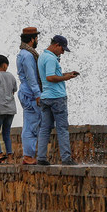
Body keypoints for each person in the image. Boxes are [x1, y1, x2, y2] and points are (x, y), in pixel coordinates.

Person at [37, 35, 79, 166]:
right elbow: (50, 77)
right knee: (62, 128)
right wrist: (66, 78)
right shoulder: (51, 59)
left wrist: (67, 74)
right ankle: (66, 158)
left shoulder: (42, 56)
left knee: (44, 128)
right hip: (56, 98)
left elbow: (50, 75)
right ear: (56, 45)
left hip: (45, 97)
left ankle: (41, 157)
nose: (63, 52)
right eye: (62, 49)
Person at [16, 27, 42, 165]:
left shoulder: (23, 53)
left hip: (27, 93)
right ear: (32, 39)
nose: (37, 40)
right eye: (36, 38)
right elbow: (31, 77)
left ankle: (30, 154)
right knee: (31, 125)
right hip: (30, 95)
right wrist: (38, 94)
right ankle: (28, 155)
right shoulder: (27, 55)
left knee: (31, 123)